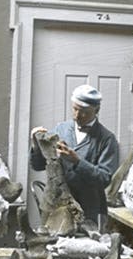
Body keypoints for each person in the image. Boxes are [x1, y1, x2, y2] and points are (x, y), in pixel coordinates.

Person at [29, 84, 119, 234]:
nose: (77, 115)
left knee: (81, 251)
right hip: (55, 205)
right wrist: (35, 145)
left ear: (96, 110)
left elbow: (105, 178)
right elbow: (37, 166)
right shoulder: (61, 129)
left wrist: (77, 161)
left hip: (87, 208)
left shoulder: (107, 139)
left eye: (84, 112)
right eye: (75, 109)